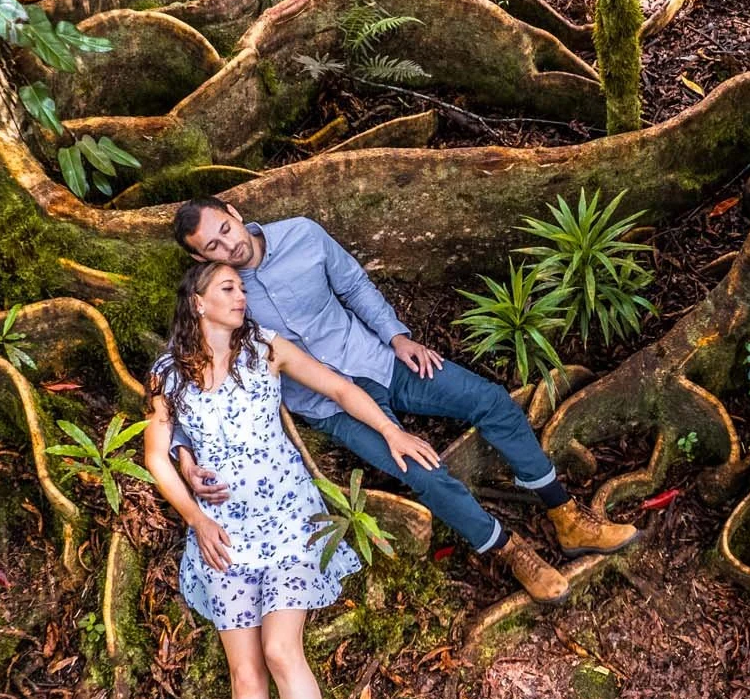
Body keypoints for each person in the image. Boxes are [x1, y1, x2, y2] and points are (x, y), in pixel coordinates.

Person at [144, 261, 440, 699]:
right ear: (197, 302)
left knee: (282, 653)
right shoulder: (168, 377)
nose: (240, 295)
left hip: (285, 515)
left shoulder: (267, 349)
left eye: (241, 287)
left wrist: (391, 430)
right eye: (227, 288)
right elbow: (154, 458)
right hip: (222, 530)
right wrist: (196, 514)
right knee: (244, 677)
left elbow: (336, 388)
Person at [168, 198, 638, 605]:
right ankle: (511, 551)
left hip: (377, 361)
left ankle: (565, 513)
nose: (228, 246)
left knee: (490, 399)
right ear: (198, 257)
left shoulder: (302, 235)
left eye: (225, 230)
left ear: (234, 213)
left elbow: (353, 286)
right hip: (330, 406)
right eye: (212, 246)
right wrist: (184, 455)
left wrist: (397, 338)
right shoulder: (223, 296)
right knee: (423, 473)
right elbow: (195, 375)